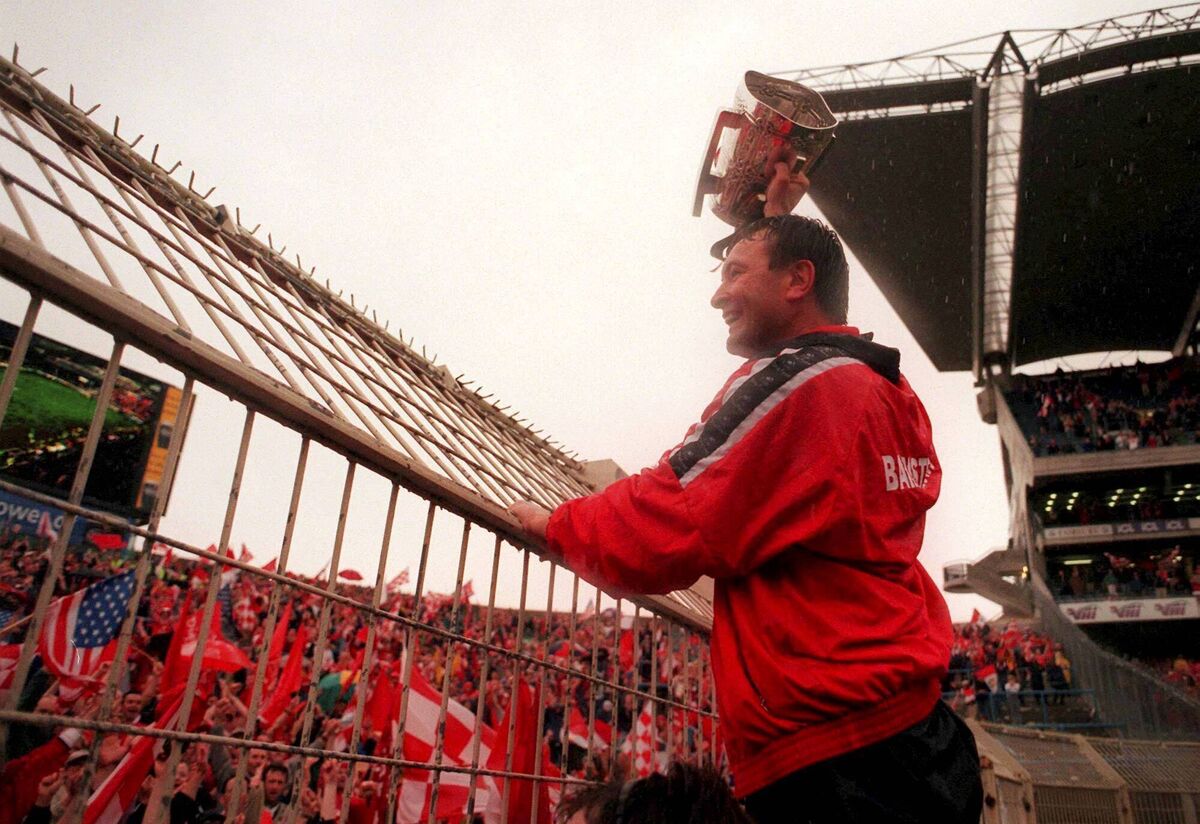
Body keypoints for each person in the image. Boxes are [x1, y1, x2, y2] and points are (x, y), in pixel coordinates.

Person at [511, 164, 982, 823]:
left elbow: (671, 512)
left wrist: (556, 525)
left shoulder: (802, 386)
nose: (717, 296)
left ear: (798, 282)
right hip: (910, 736)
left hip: (842, 758)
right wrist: (769, 224)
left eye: (736, 273)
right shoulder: (882, 388)